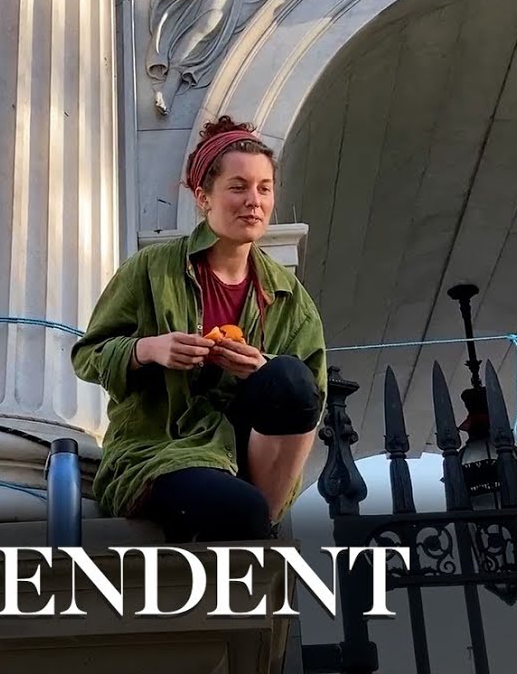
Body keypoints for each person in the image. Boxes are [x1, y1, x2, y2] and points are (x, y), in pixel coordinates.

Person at [71, 115, 327, 542]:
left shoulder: (288, 297)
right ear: (203, 198)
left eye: (264, 188)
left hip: (247, 458)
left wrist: (260, 367)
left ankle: (261, 517)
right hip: (160, 452)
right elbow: (87, 356)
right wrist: (148, 350)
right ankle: (253, 525)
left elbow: (309, 400)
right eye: (238, 187)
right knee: (238, 510)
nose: (254, 201)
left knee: (288, 376)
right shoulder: (152, 269)